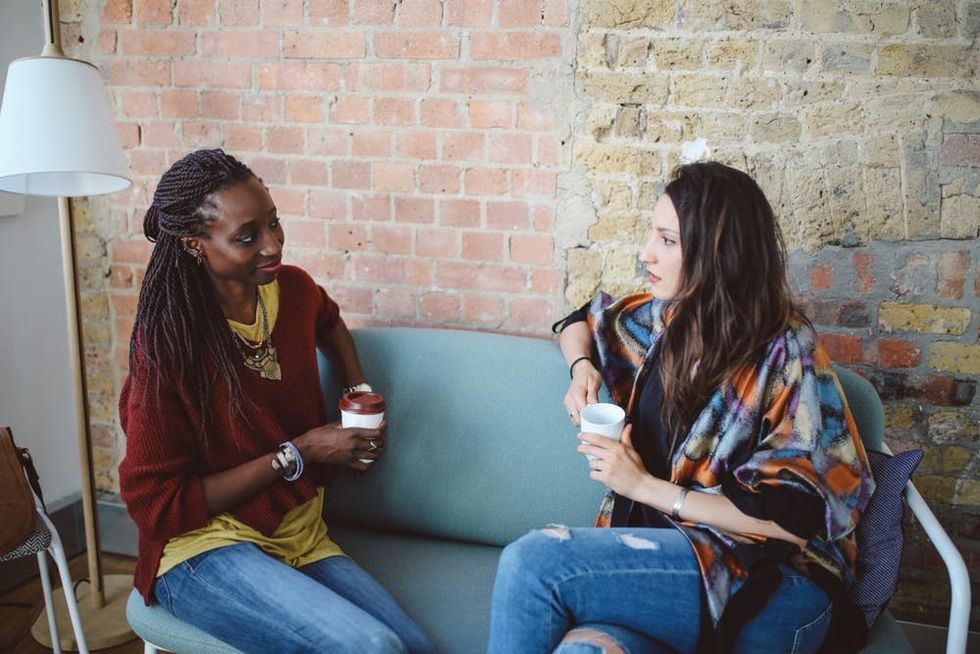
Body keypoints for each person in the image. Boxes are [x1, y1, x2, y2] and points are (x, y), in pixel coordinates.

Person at [488, 162, 876, 654]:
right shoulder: (668, 321)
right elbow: (580, 319)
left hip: (773, 586)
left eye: (667, 240)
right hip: (673, 572)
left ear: (719, 253)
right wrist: (582, 368)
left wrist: (644, 487)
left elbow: (793, 522)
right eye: (653, 235)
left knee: (534, 563)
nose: (645, 253)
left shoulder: (787, 351)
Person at [118, 149, 435, 653]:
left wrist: (355, 389)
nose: (273, 246)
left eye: (274, 224)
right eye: (247, 237)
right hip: (201, 552)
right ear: (195, 245)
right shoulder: (169, 347)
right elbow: (157, 508)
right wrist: (300, 452)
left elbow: (328, 321)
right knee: (371, 648)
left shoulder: (292, 290)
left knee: (418, 648)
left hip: (299, 537)